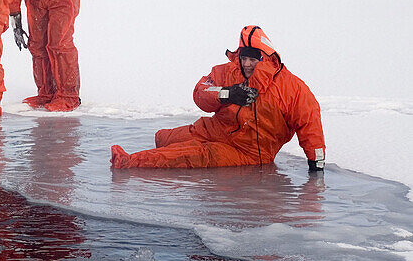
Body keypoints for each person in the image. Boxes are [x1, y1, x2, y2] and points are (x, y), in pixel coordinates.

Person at [110, 26, 326, 171]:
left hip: (246, 152)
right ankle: (160, 144)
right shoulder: (227, 72)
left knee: (193, 155)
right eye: (244, 58)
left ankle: (129, 162)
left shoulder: (292, 88)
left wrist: (316, 163)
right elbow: (200, 93)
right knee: (164, 139)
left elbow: (310, 123)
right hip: (214, 129)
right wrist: (227, 94)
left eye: (253, 59)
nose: (248, 64)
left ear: (265, 59)